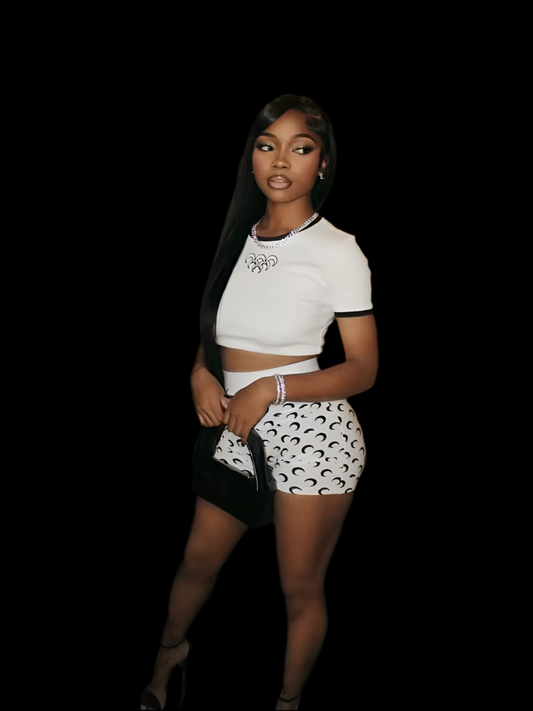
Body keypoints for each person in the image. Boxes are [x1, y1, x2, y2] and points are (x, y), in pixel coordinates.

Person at [139, 94, 378, 710]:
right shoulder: (237, 238)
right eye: (268, 145)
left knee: (299, 587)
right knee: (197, 561)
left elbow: (364, 369)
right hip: (236, 425)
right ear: (251, 156)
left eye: (301, 148)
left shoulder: (338, 250)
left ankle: (287, 703)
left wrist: (271, 387)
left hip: (314, 433)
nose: (281, 161)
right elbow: (219, 333)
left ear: (322, 163)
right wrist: (199, 371)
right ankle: (169, 657)